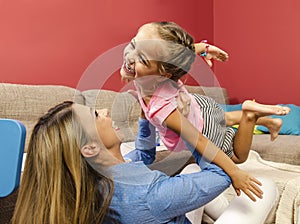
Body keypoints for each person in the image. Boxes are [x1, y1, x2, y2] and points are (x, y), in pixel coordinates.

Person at [120, 21, 290, 201]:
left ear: (164, 74)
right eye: (133, 44)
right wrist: (203, 48)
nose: (131, 57)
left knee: (237, 156)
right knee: (223, 118)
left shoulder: (162, 111)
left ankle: (249, 115)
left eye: (142, 59)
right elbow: (174, 54)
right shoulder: (155, 71)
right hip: (199, 106)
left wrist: (235, 172)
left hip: (203, 129)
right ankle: (267, 121)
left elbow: (199, 140)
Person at [12, 101, 233, 224]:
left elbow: (144, 156)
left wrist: (145, 117)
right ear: (89, 148)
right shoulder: (149, 194)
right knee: (265, 187)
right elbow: (224, 173)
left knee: (192, 169)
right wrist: (186, 127)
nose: (106, 110)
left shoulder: (98, 180)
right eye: (96, 115)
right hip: (158, 206)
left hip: (161, 211)